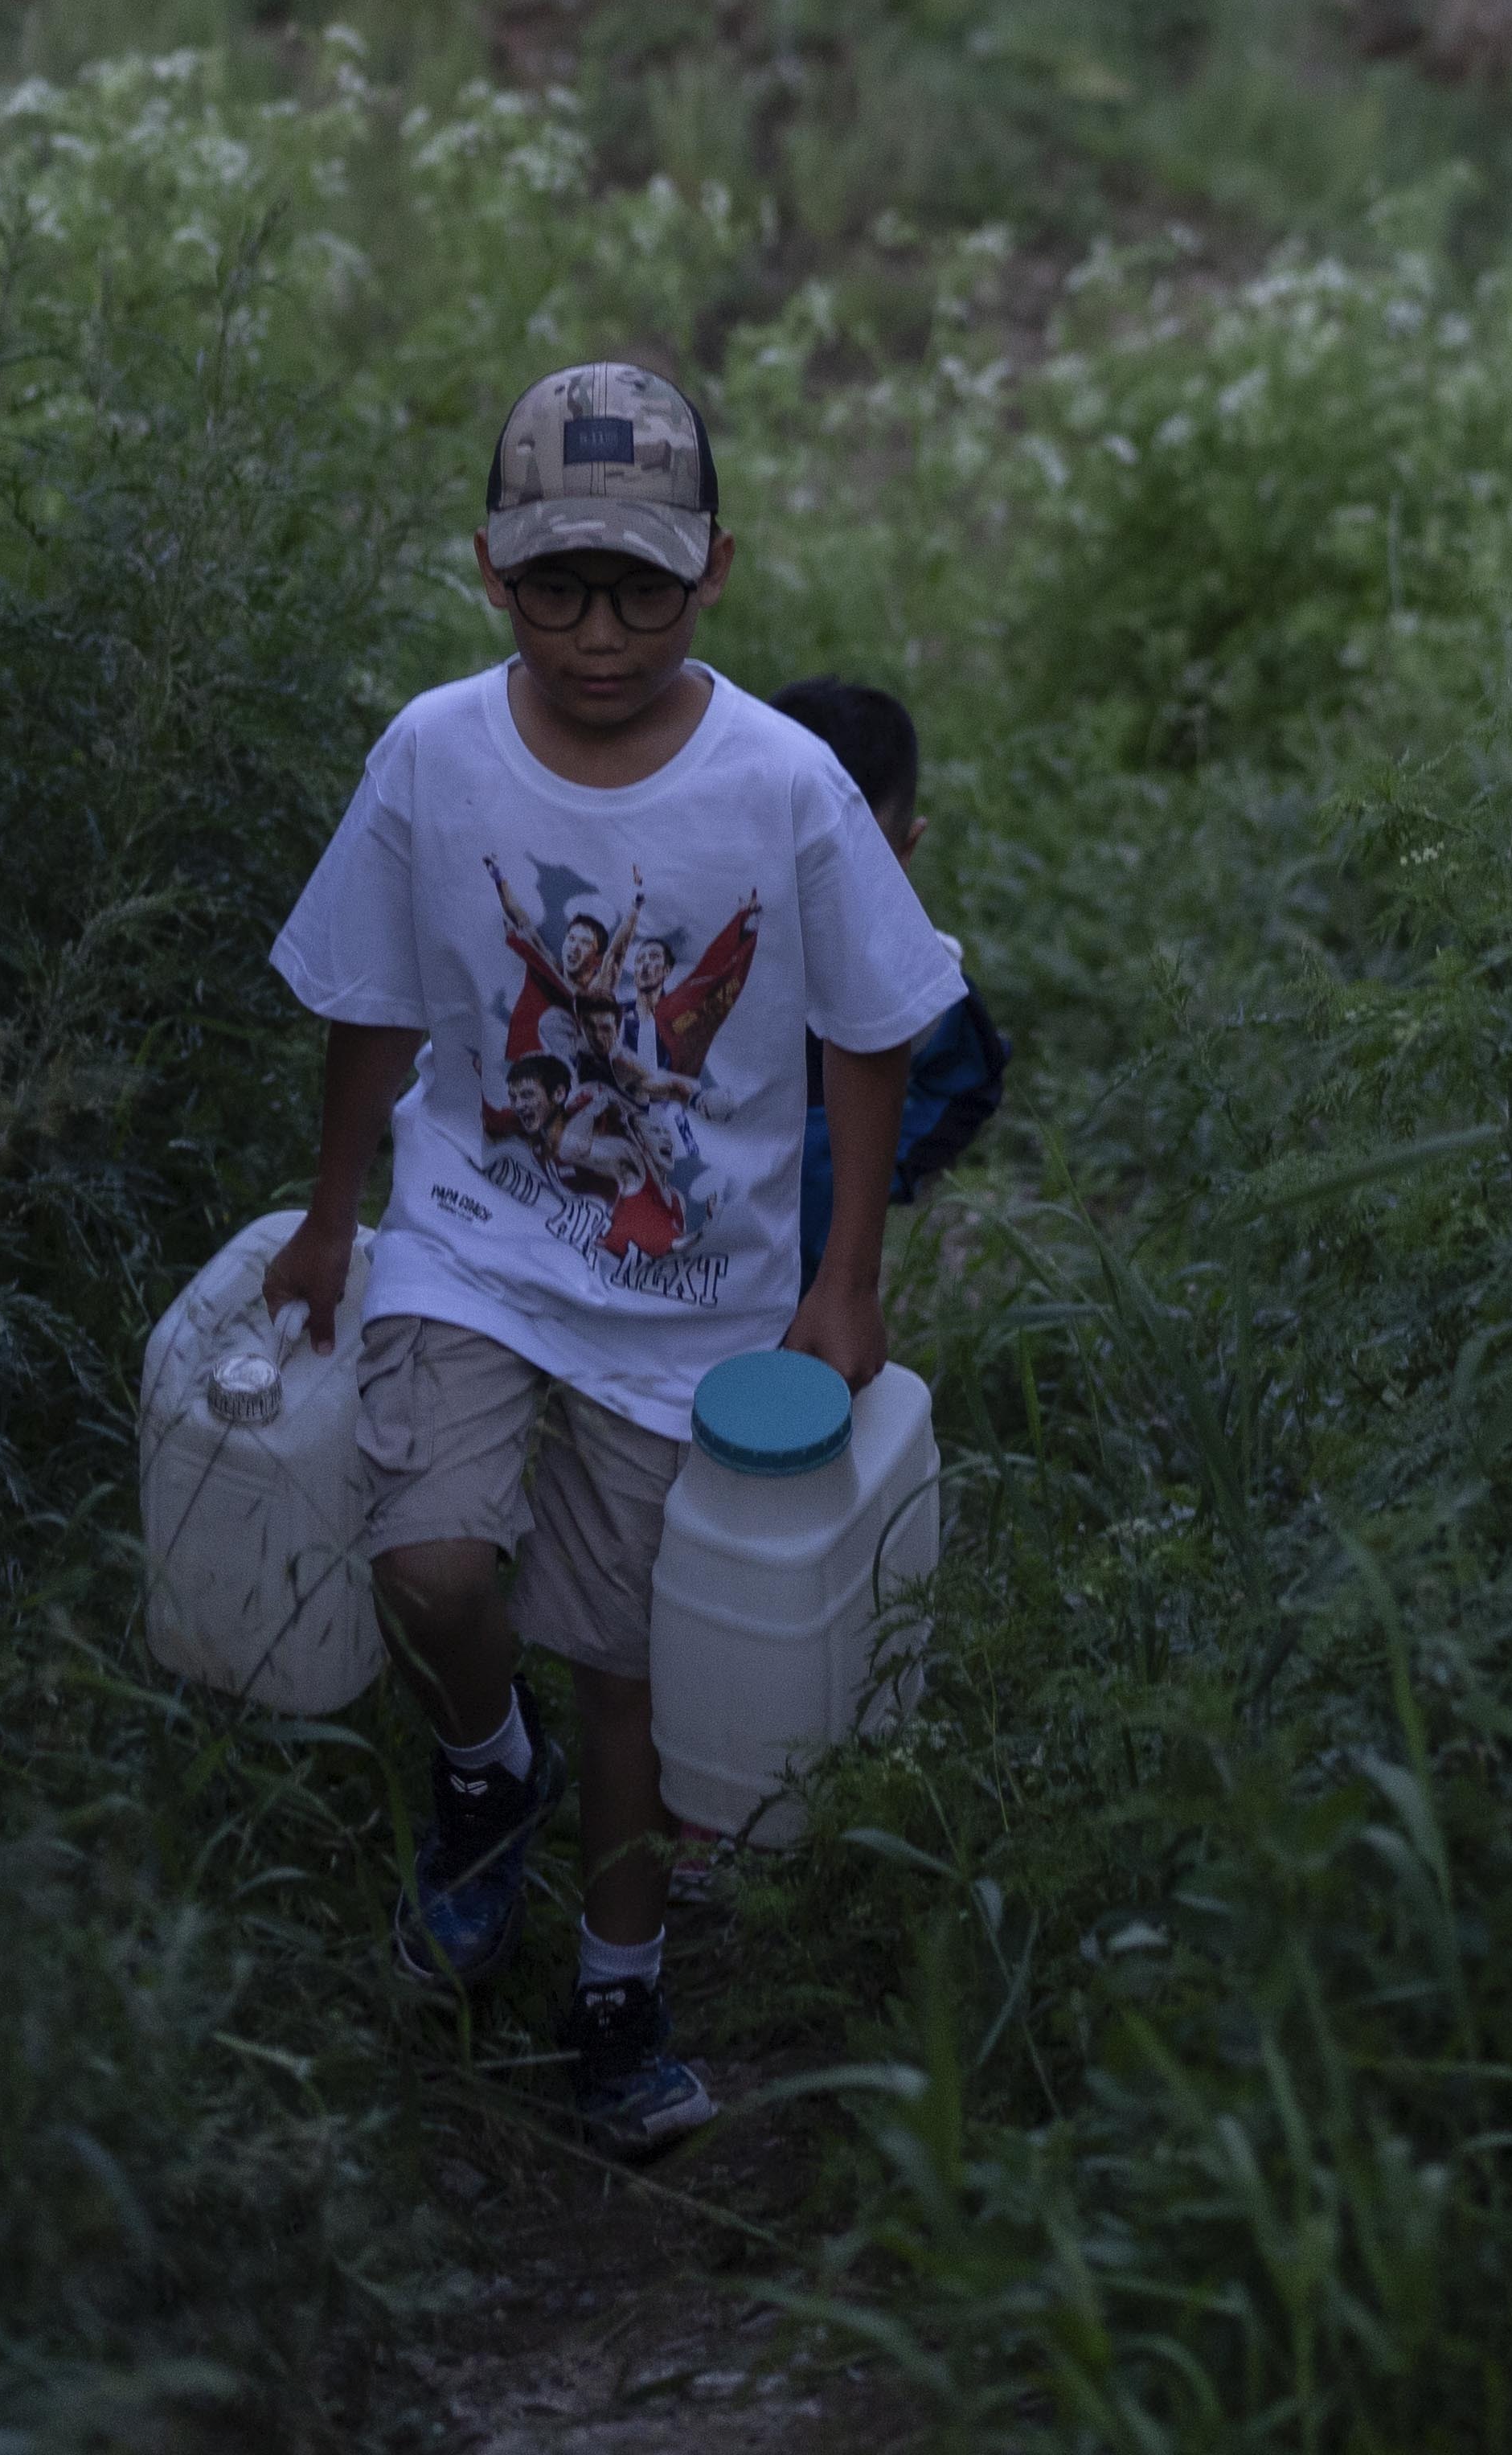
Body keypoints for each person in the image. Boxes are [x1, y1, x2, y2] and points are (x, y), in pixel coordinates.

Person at [261, 359, 963, 2157]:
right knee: (429, 1567)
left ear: (714, 570)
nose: (598, 632)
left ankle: (616, 1990)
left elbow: (879, 1024)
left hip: (696, 1298)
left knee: (632, 1656)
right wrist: (339, 1210)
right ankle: (488, 1774)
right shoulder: (433, 754)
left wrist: (847, 1276)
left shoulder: (786, 786)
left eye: (639, 587)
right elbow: (366, 997)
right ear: (491, 569)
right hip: (475, 1247)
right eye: (559, 586)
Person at [764, 678, 1011, 1270]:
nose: (817, 893)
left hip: (810, 1288)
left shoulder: (918, 982)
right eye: (794, 857)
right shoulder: (688, 950)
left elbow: (969, 1084)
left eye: (854, 863)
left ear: (907, 848)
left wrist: (857, 1171)